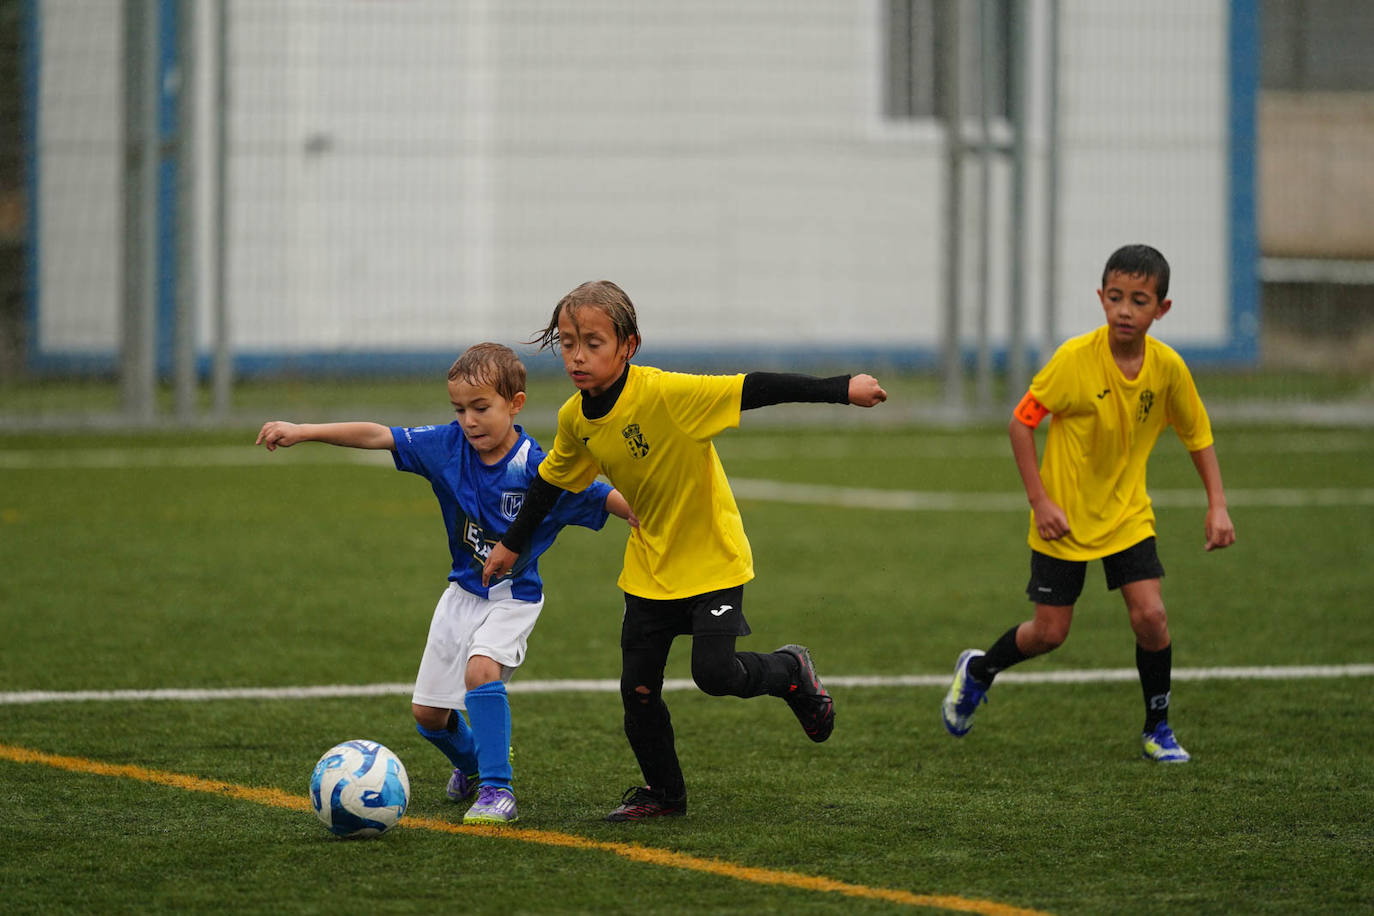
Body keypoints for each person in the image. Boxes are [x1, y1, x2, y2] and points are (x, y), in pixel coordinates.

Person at [480, 280, 887, 821]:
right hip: (650, 567)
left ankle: (791, 670)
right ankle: (665, 796)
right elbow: (551, 482)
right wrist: (511, 543)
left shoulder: (667, 394)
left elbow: (754, 387)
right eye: (568, 342)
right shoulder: (574, 419)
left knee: (714, 675)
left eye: (593, 343)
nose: (577, 356)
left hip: (712, 560)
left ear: (628, 346)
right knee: (638, 694)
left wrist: (843, 388)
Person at [257, 342, 634, 825]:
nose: (469, 420)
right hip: (460, 595)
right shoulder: (447, 445)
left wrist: (644, 515)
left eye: (481, 408)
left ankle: (498, 791)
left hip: (512, 598)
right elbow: (380, 435)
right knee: (428, 718)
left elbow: (601, 496)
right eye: (459, 409)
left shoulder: (541, 468)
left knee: (481, 672)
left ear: (515, 403)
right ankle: (474, 765)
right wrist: (303, 431)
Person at [941, 244, 1236, 762]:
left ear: (1161, 310)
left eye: (1139, 300)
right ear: (1101, 298)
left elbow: (1197, 434)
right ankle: (980, 670)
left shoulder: (1168, 369)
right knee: (1050, 633)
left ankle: (1158, 728)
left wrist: (1217, 504)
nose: (1125, 309)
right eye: (1116, 297)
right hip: (1064, 520)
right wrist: (1040, 502)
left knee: (1152, 618)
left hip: (1127, 517)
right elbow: (1021, 422)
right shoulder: (1074, 360)